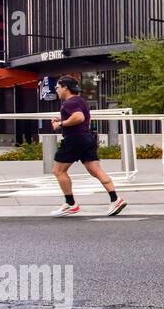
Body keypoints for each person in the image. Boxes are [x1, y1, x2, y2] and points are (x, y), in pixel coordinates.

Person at [49, 75, 126, 217]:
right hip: (87, 138)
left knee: (58, 171)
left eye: (58, 88)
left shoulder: (69, 102)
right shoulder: (81, 101)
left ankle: (71, 204)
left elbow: (79, 117)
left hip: (74, 139)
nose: (57, 90)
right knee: (95, 170)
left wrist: (60, 124)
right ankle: (115, 199)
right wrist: (63, 118)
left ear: (66, 87)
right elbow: (80, 116)